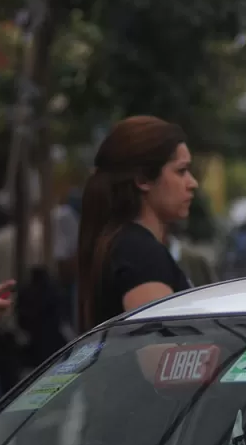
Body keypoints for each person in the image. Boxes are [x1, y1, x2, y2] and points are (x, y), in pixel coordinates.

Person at [76, 116, 198, 331]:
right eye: (181, 171)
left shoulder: (124, 246)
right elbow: (160, 356)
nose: (192, 183)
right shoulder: (141, 255)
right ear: (143, 179)